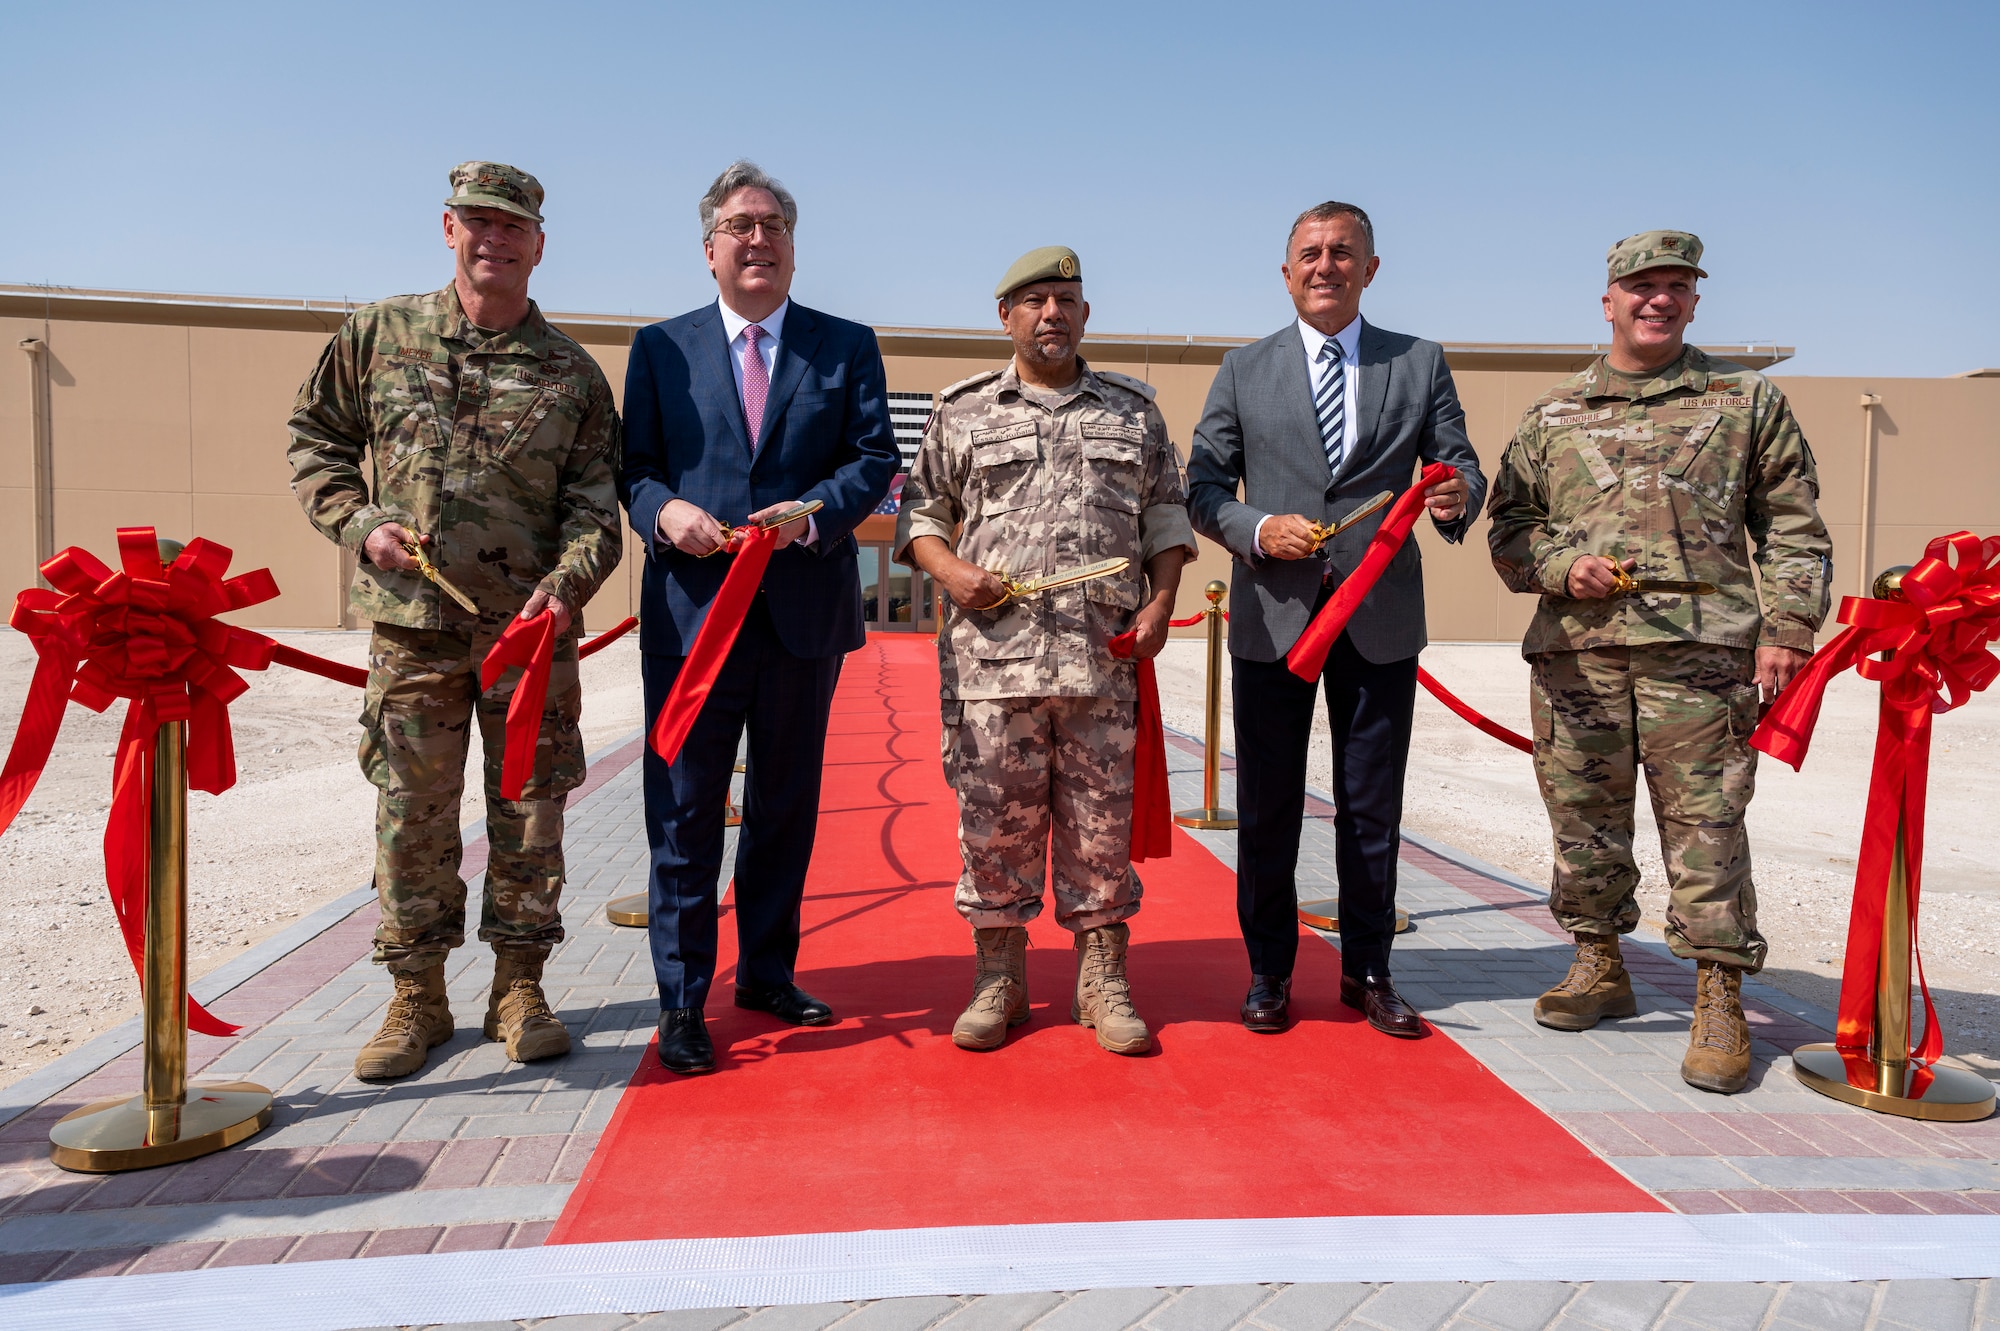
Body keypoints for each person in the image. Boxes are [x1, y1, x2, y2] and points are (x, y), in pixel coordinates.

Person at [288, 162, 624, 1080]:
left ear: (538, 245)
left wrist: (566, 586)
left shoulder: (572, 374)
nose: (494, 239)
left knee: (530, 813)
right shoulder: (379, 335)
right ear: (448, 229)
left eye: (512, 227)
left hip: (527, 640)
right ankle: (417, 995)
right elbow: (314, 441)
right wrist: (360, 526)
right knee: (413, 816)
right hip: (413, 630)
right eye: (478, 222)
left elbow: (598, 508)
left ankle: (519, 984)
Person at [1487, 230, 1831, 1094]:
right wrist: (1563, 568)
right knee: (1582, 820)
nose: (1658, 299)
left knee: (1707, 827)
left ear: (1693, 301)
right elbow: (1509, 527)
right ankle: (1599, 963)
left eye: (1676, 286)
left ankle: (1719, 993)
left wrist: (1787, 625)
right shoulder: (1554, 415)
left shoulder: (1745, 401)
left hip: (1703, 657)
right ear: (1608, 300)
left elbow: (1791, 524)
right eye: (1641, 286)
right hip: (1580, 653)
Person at [620, 160, 899, 1076]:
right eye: (740, 226)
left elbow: (872, 461)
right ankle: (682, 998)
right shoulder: (660, 349)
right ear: (709, 250)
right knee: (687, 812)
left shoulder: (844, 344)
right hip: (693, 622)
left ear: (791, 244)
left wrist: (814, 516)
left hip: (799, 616)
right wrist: (664, 514)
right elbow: (635, 470)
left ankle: (768, 972)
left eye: (773, 224)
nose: (757, 239)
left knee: (785, 807)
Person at [1187, 201, 1484, 1038]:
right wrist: (1253, 528)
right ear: (1286, 273)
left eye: (1342, 252)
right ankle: (1270, 973)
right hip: (1273, 619)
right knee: (1270, 805)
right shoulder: (1244, 369)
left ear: (1370, 268)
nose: (1326, 265)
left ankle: (1369, 970)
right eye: (1310, 253)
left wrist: (1460, 495)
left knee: (1371, 805)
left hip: (1378, 619)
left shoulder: (1418, 362)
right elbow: (1201, 485)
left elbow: (1455, 459)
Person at [896, 247, 1195, 1055]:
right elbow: (920, 514)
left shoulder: (1133, 412)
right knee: (994, 826)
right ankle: (1000, 977)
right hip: (995, 666)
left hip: (1103, 661)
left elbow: (1167, 517)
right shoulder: (961, 411)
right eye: (1033, 301)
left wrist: (1163, 602)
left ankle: (1102, 981)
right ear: (1007, 317)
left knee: (1100, 827)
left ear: (1086, 314)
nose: (1051, 313)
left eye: (1066, 298)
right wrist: (953, 572)